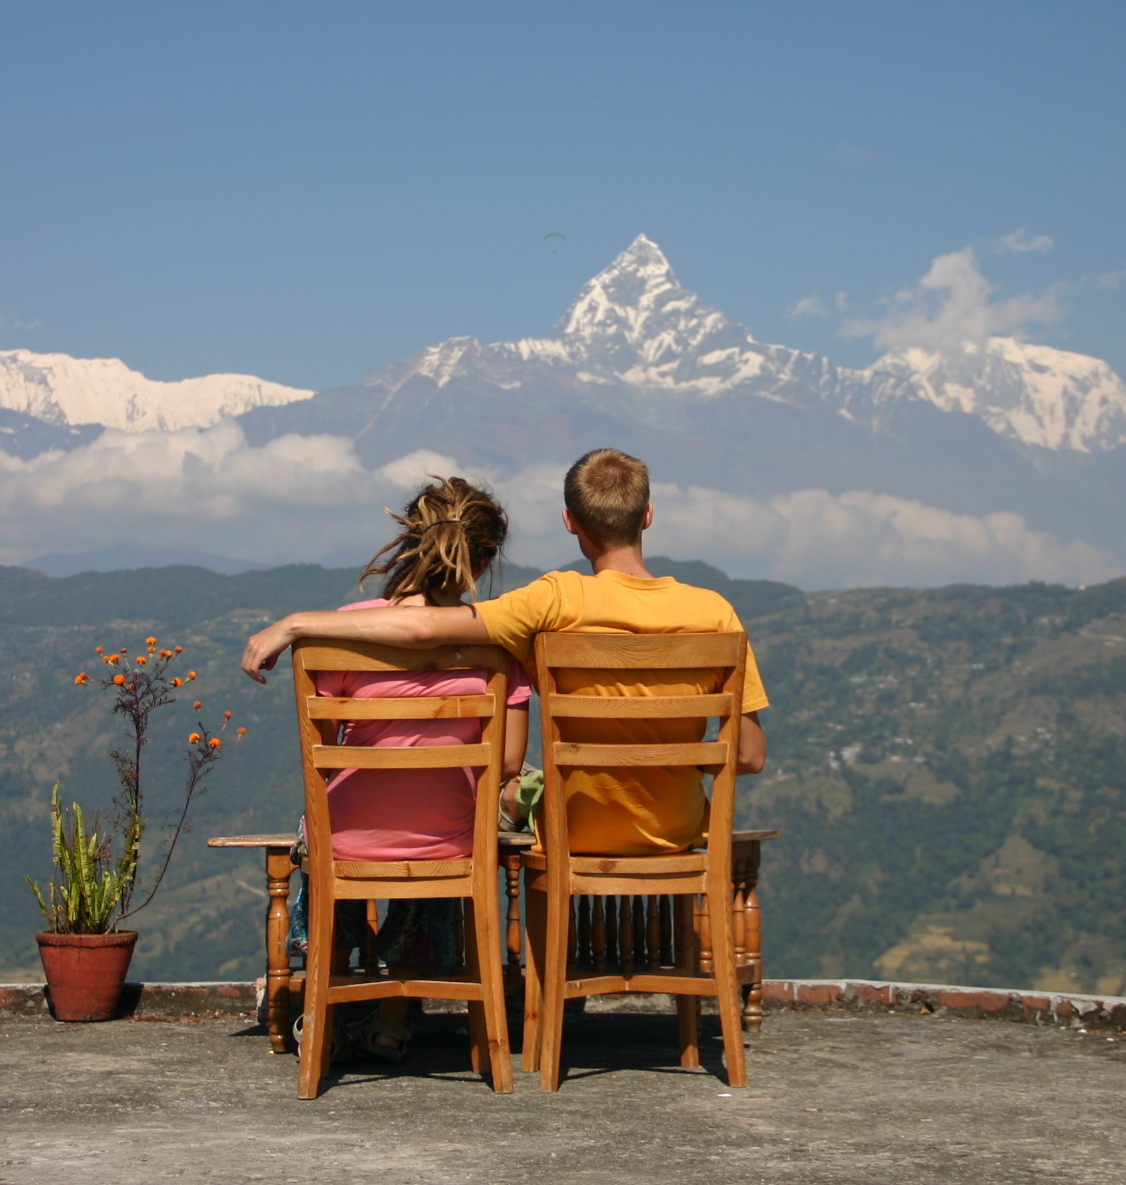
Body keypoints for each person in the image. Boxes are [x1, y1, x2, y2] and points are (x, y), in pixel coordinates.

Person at [243, 448, 767, 863]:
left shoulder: (554, 600)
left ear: (570, 521)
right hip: (676, 830)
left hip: (574, 828)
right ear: (647, 515)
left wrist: (295, 623)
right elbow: (748, 756)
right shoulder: (715, 612)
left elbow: (425, 627)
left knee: (520, 796)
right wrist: (664, 759)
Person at [287, 475, 531, 1063]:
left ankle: (334, 998)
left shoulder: (345, 631)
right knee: (451, 823)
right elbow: (507, 765)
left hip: (345, 834)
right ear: (484, 560)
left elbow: (320, 755)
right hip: (450, 840)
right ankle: (394, 1019)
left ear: (411, 542)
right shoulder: (499, 643)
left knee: (315, 832)